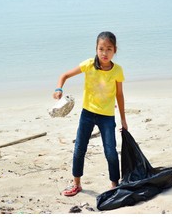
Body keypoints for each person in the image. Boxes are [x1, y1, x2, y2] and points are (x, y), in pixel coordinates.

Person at [53, 31, 128, 196]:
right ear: (96, 49)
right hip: (87, 113)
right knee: (79, 148)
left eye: (109, 49)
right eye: (101, 48)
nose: (104, 53)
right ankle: (76, 184)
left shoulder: (118, 71)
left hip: (107, 116)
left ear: (115, 50)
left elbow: (119, 95)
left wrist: (123, 119)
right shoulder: (88, 64)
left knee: (110, 151)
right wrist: (59, 89)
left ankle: (114, 184)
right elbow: (64, 75)